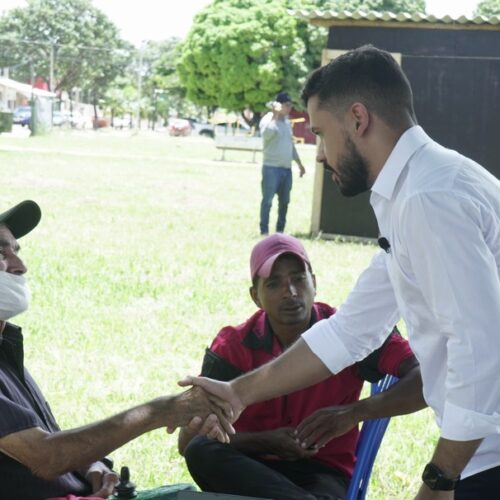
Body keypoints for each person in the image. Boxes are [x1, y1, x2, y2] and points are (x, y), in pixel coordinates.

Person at [182, 46, 500, 500]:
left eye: (320, 133)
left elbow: (481, 347)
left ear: (357, 119)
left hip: (487, 456)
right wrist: (237, 393)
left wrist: (440, 478)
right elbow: (350, 332)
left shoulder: (428, 198)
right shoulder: (413, 191)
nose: (317, 153)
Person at [0, 200, 233, 500]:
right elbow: (47, 457)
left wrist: (90, 465)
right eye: (0, 253)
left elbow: (45, 437)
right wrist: (164, 411)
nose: (20, 266)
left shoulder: (6, 346)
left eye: (15, 251)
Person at [179, 233, 425, 500]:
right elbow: (187, 442)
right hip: (250, 471)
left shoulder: (352, 331)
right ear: (255, 296)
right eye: (274, 284)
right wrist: (265, 441)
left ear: (314, 283)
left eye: (298, 279)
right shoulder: (233, 346)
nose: (291, 292)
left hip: (324, 472)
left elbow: (425, 378)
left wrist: (352, 413)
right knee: (201, 450)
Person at [259, 91, 306, 235]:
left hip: (286, 169)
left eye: (290, 105)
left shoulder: (286, 122)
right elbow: (266, 135)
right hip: (271, 168)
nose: (289, 108)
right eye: (286, 105)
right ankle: (264, 230)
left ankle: (280, 230)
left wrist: (299, 164)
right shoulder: (268, 120)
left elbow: (290, 145)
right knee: (268, 201)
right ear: (279, 105)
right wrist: (274, 115)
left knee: (285, 202)